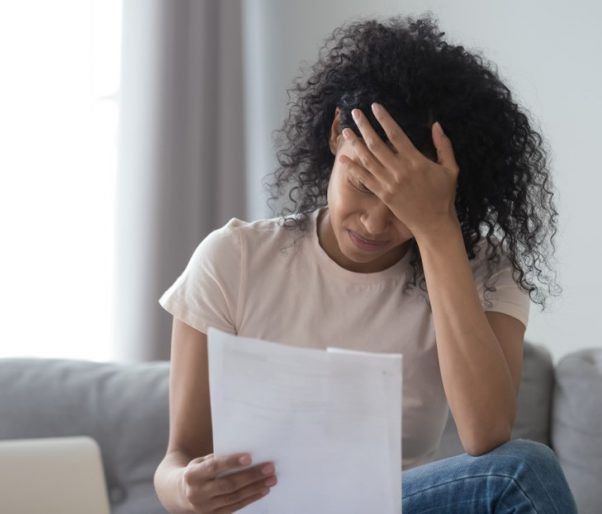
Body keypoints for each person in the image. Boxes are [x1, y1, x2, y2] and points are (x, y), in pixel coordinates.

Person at [153, 13, 577, 514]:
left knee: (522, 470)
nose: (375, 224)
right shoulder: (235, 259)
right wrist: (185, 488)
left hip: (391, 505)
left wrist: (437, 232)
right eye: (362, 185)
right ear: (337, 134)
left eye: (402, 204)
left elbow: (487, 433)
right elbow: (178, 457)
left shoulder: (483, 269)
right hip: (269, 507)